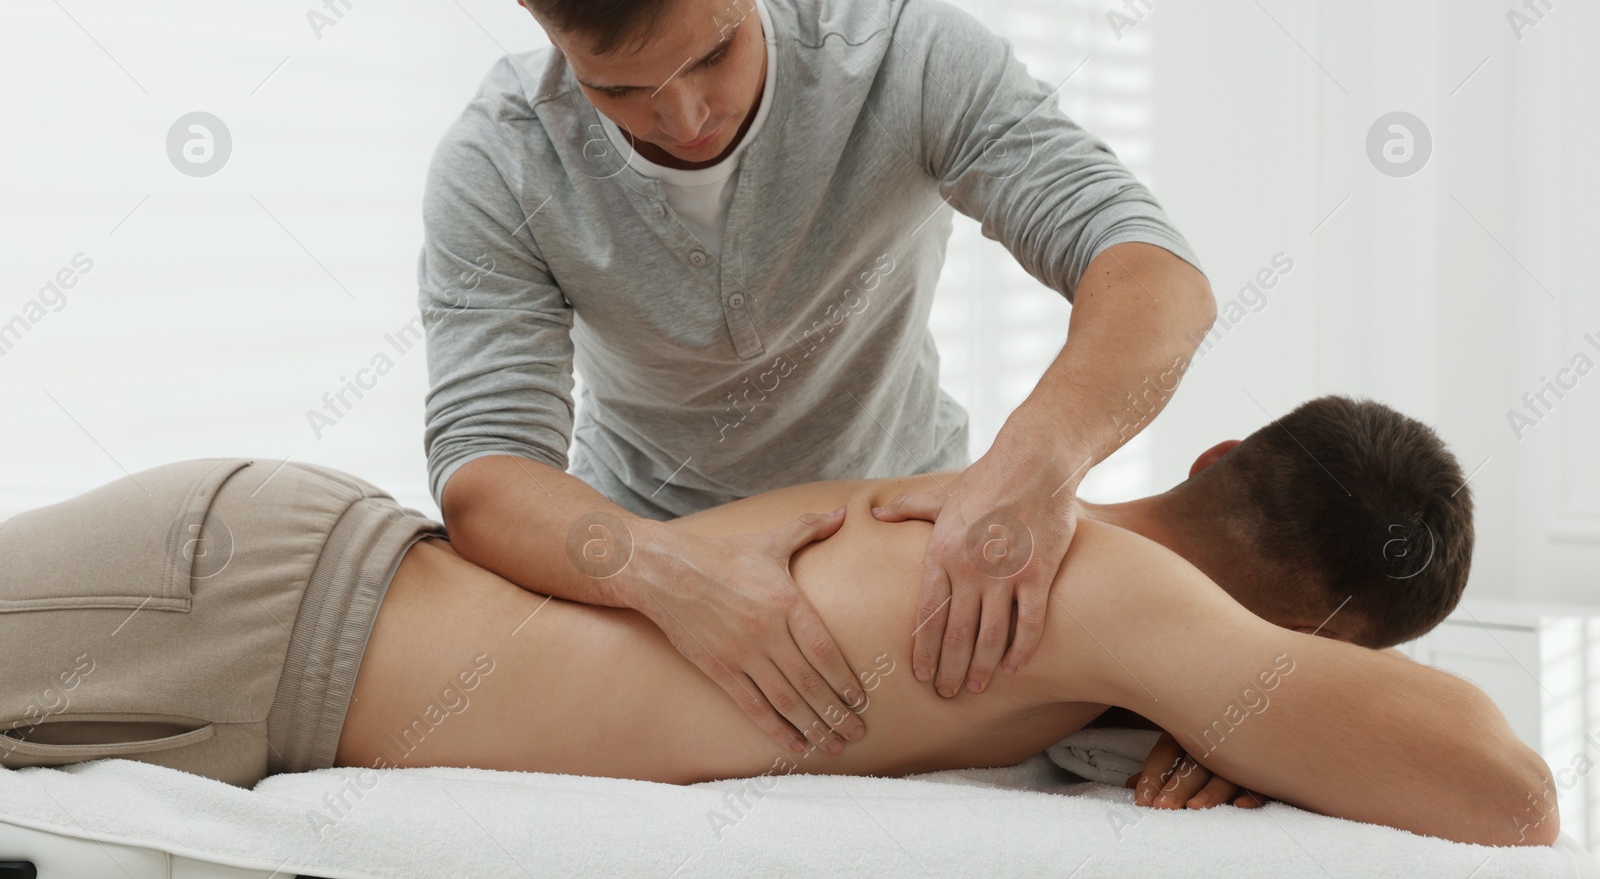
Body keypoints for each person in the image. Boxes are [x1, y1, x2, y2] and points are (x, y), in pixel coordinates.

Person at [419, 0, 1218, 766]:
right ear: (539, 22)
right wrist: (665, 574)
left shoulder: (903, 59)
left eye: (710, 54)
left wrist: (1035, 467)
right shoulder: (499, 157)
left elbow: (1151, 271)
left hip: (908, 545)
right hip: (647, 571)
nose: (684, 117)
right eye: (619, 90)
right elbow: (483, 468)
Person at [2, 396, 1555, 846]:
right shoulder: (1101, 583)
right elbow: (1512, 790)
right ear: (1334, 646)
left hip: (277, 632)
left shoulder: (1044, 594)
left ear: (1218, 454)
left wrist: (1223, 729)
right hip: (265, 599)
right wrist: (1267, 718)